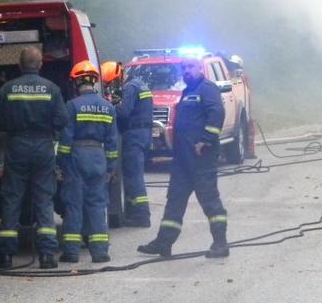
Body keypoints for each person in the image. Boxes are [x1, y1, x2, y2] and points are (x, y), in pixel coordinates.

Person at [138, 55, 229, 259]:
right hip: (182, 159)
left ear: (200, 68)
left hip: (201, 158)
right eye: (184, 68)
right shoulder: (188, 91)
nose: (187, 71)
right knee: (175, 200)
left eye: (191, 67)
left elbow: (217, 114)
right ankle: (164, 243)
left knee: (209, 200)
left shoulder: (207, 89)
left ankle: (221, 244)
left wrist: (206, 140)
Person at [0, 46, 68, 271]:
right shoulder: (51, 89)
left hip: (17, 146)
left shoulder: (7, 89)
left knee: (12, 198)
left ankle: (5, 255)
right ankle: (47, 255)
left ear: (19, 65)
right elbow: (62, 120)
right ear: (40, 64)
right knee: (44, 198)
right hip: (43, 146)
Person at [57, 61, 119, 263]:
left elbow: (65, 140)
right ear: (94, 81)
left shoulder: (72, 106)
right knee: (98, 205)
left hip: (77, 157)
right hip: (98, 158)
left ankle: (71, 252)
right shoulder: (108, 107)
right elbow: (112, 142)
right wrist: (110, 167)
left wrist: (61, 164)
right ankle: (100, 252)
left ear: (76, 83)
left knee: (74, 205)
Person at [102, 60, 154, 227]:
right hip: (143, 134)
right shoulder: (140, 84)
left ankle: (142, 216)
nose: (111, 87)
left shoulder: (129, 88)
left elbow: (124, 113)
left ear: (118, 78)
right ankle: (133, 213)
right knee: (134, 174)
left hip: (134, 135)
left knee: (134, 176)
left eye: (110, 83)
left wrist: (108, 106)